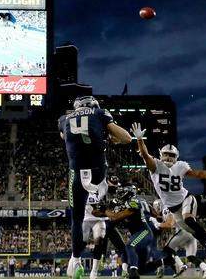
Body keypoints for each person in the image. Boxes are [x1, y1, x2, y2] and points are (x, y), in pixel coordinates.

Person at [131, 123, 206, 272]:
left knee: (189, 218)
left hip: (186, 199)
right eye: (166, 154)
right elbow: (144, 154)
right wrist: (139, 138)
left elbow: (198, 174)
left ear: (177, 157)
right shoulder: (155, 166)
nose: (169, 157)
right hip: (173, 209)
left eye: (172, 155)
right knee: (191, 230)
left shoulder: (181, 166)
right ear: (160, 154)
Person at [59, 96, 132, 279]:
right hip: (98, 173)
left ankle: (75, 261)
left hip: (76, 173)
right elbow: (126, 138)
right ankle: (91, 270)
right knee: (103, 197)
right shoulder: (99, 113)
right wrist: (108, 136)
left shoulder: (63, 119)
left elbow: (65, 137)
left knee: (76, 219)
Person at [93, 186, 160, 279]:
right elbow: (103, 216)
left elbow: (116, 216)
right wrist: (98, 210)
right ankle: (163, 262)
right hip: (137, 235)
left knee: (130, 246)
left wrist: (105, 210)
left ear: (128, 194)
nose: (119, 197)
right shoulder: (124, 206)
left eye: (121, 194)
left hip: (144, 232)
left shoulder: (134, 202)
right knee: (141, 268)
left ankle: (133, 271)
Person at [150, 199, 206, 278]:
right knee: (191, 256)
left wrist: (157, 224)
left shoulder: (166, 208)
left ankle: (181, 266)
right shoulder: (170, 207)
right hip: (192, 232)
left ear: (158, 206)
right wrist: (157, 221)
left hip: (183, 231)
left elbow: (170, 223)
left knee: (167, 249)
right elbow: (168, 221)